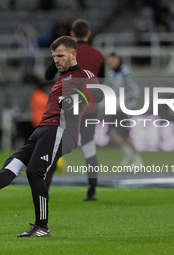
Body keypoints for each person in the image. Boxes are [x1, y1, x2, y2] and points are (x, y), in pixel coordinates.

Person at [0, 36, 103, 238]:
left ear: (73, 54)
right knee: (12, 164)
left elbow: (99, 95)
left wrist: (72, 100)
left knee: (34, 171)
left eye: (60, 56)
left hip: (61, 130)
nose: (56, 60)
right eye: (54, 57)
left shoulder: (84, 74)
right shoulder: (63, 78)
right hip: (43, 129)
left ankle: (42, 227)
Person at [45, 19, 105, 201]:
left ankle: (44, 189)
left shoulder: (66, 53)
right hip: (89, 108)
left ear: (72, 34)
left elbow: (47, 74)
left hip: (68, 106)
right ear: (88, 33)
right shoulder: (97, 55)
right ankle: (92, 190)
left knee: (57, 148)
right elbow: (101, 84)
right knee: (88, 145)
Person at [106, 53, 142, 166]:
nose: (110, 63)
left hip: (126, 108)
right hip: (115, 107)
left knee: (125, 134)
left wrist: (122, 100)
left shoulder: (125, 73)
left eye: (112, 61)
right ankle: (127, 152)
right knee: (110, 132)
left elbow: (135, 90)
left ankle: (137, 159)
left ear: (118, 60)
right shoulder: (111, 74)